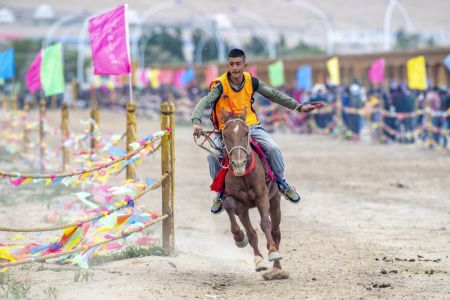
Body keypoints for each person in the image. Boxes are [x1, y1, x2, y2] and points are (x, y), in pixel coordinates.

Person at [191, 49, 317, 215]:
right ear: (228, 65)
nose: (235, 68)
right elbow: (204, 101)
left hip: (249, 126)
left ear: (245, 65)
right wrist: (196, 121)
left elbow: (273, 94)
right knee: (212, 156)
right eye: (231, 64)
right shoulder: (220, 84)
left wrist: (298, 106)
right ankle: (220, 194)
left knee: (273, 148)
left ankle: (282, 183)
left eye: (238, 64)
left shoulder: (252, 81)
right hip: (225, 129)